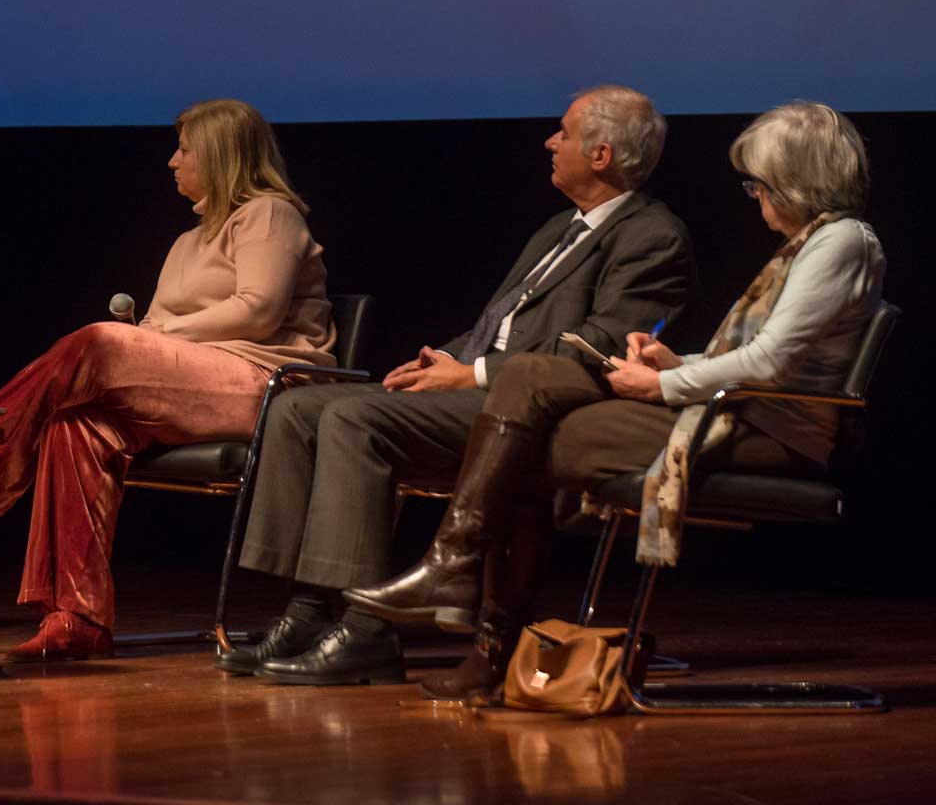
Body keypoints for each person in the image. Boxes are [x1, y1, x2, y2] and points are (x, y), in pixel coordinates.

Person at [344, 101, 884, 700]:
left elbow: (771, 362)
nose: (754, 200)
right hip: (735, 411)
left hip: (770, 433)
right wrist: (676, 362)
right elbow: (756, 353)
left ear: (796, 183)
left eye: (759, 186)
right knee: (526, 386)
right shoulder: (813, 243)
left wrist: (663, 386)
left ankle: (474, 609)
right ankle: (471, 605)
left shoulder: (841, 245)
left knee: (536, 434)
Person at [223, 84, 697, 686]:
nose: (550, 142)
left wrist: (469, 374)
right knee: (298, 410)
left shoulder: (652, 237)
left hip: (524, 409)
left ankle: (366, 631)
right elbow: (497, 324)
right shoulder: (559, 228)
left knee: (353, 420)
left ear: (601, 154)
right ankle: (309, 611)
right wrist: (444, 357)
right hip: (480, 383)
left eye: (565, 133)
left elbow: (597, 350)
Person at [0, 99, 336, 659]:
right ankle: (78, 618)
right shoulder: (188, 241)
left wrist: (154, 337)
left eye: (185, 149)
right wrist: (148, 337)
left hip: (268, 384)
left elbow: (258, 311)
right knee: (75, 424)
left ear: (218, 156)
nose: (172, 161)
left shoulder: (268, 213)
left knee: (97, 342)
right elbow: (165, 333)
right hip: (198, 387)